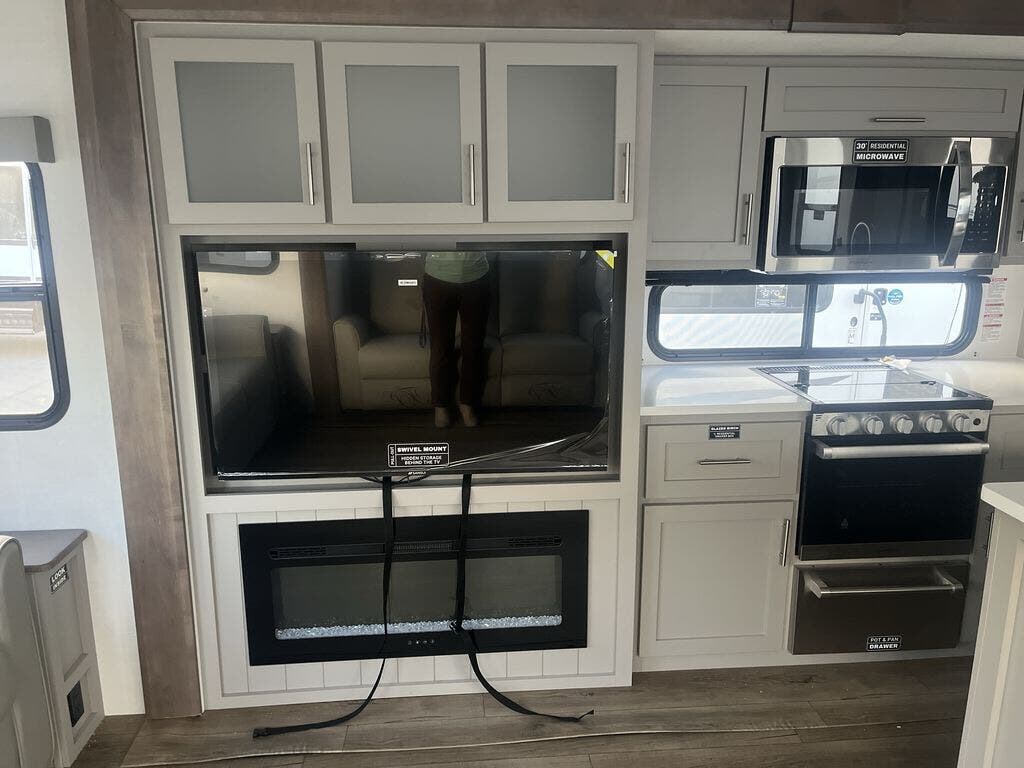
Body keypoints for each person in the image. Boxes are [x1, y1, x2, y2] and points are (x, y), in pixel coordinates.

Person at [421, 251, 491, 427]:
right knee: (440, 347)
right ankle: (440, 405)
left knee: (473, 347)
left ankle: (467, 404)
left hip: (477, 277)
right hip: (437, 277)